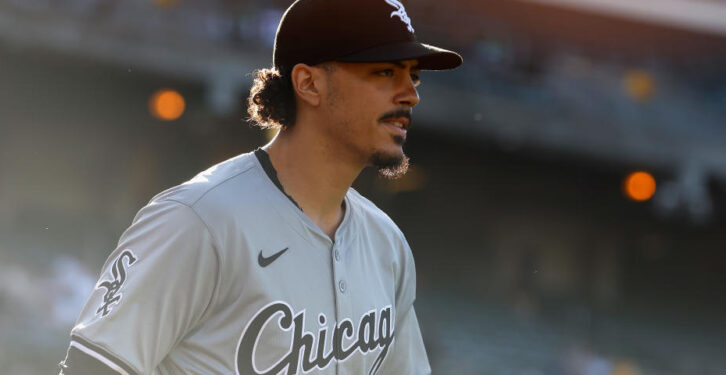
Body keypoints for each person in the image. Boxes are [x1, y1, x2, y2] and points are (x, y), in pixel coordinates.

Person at [58, 0, 462, 374]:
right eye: (385, 72)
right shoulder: (198, 220)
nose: (409, 94)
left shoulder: (387, 245)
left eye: (414, 76)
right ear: (309, 84)